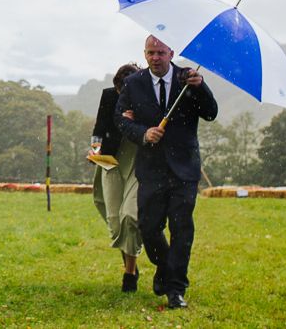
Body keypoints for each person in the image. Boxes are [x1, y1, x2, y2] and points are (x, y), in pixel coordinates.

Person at [114, 36, 217, 310]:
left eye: (160, 52)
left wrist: (201, 88)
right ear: (144, 54)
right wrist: (144, 133)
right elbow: (120, 119)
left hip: (184, 168)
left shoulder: (189, 79)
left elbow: (210, 113)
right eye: (150, 53)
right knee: (149, 227)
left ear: (171, 53)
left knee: (182, 228)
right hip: (150, 168)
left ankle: (176, 289)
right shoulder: (134, 83)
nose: (155, 58)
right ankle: (164, 267)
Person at [91, 63, 142, 292]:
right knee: (114, 218)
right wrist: (95, 148)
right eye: (120, 92)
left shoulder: (147, 97)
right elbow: (99, 129)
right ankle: (129, 262)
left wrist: (134, 122)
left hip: (137, 159)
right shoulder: (109, 96)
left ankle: (129, 274)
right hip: (110, 158)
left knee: (129, 216)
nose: (123, 96)